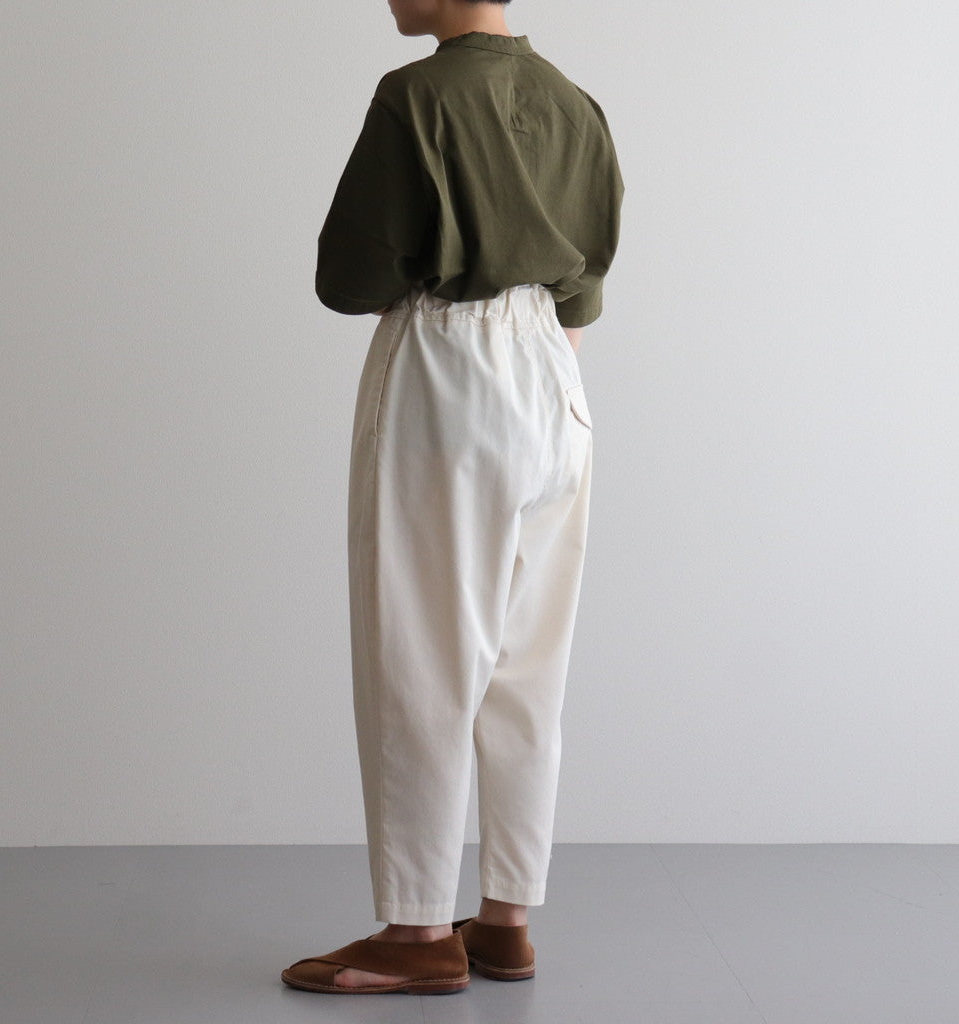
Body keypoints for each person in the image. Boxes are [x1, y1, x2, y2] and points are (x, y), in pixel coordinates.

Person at [282, 0, 623, 995]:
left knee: (422, 653)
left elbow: (350, 278)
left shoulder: (415, 97)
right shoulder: (576, 103)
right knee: (528, 664)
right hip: (556, 382)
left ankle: (419, 929)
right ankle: (506, 920)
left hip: (448, 366)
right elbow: (584, 288)